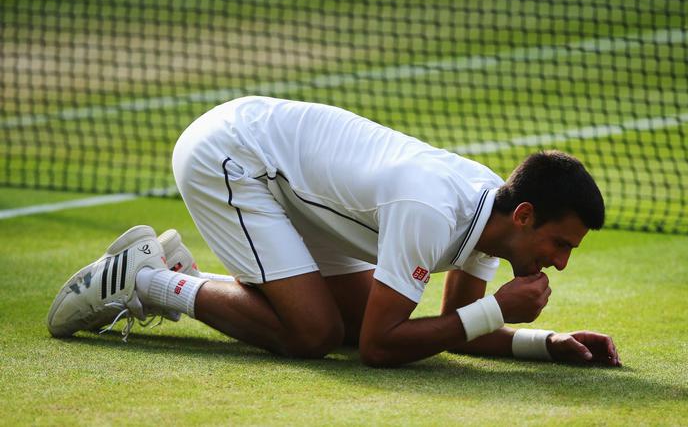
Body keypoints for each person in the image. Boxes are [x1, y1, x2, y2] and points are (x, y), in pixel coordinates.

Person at [47, 96, 621, 367]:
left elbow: (453, 328)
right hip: (232, 157)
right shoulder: (432, 212)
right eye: (560, 244)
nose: (561, 262)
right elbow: (381, 348)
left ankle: (175, 274)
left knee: (347, 323)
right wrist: (498, 310)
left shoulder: (491, 214)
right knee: (314, 334)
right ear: (524, 217)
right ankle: (150, 279)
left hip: (293, 184)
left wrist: (544, 344)